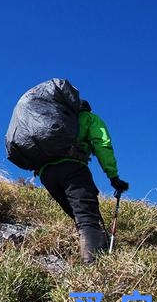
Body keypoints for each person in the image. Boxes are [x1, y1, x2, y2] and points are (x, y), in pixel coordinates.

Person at [38, 99, 129, 263]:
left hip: (46, 173)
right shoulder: (89, 118)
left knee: (78, 216)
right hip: (72, 168)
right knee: (87, 217)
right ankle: (92, 269)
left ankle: (95, 251)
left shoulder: (52, 116)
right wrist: (113, 177)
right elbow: (102, 145)